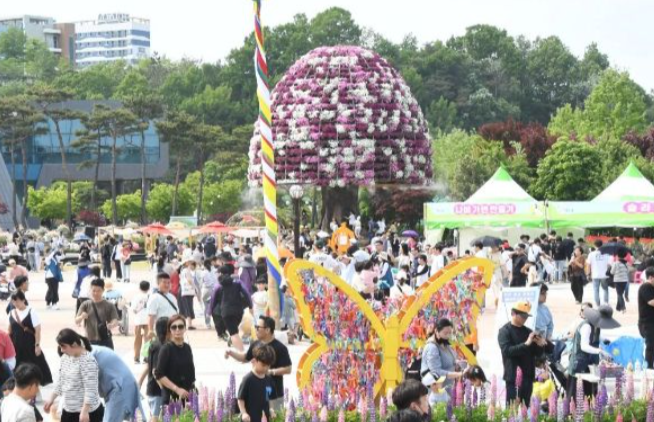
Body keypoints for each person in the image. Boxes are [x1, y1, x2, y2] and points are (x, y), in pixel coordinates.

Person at [225, 316, 292, 411]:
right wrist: (231, 353)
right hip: (257, 392)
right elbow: (245, 358)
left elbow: (288, 369)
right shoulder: (256, 344)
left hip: (275, 393)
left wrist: (271, 372)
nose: (255, 329)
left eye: (258, 327)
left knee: (274, 416)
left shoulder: (280, 348)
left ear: (267, 330)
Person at [498, 301, 552, 405]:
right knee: (512, 409)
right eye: (522, 316)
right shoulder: (504, 331)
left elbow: (537, 354)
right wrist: (526, 343)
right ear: (513, 313)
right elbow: (507, 351)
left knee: (525, 408)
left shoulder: (528, 331)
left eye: (526, 316)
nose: (525, 319)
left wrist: (540, 345)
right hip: (513, 377)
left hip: (527, 377)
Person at [45, 329, 104, 422]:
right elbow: (61, 381)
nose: (62, 350)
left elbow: (90, 389)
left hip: (87, 413)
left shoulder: (87, 361)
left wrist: (85, 411)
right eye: (60, 346)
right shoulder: (65, 358)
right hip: (69, 410)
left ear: (74, 344)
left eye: (63, 346)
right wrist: (51, 398)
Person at [566, 305, 619, 401]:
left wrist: (604, 341)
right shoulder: (586, 326)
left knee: (590, 392)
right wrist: (600, 351)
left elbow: (595, 338)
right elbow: (584, 346)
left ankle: (591, 407)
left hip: (590, 363)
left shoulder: (596, 326)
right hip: (579, 363)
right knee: (576, 395)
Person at [7, 291, 53, 385]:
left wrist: (37, 345)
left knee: (33, 368)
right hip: (16, 347)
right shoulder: (11, 313)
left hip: (30, 346)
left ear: (23, 300)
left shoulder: (31, 311)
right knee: (17, 370)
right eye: (13, 301)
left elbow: (37, 330)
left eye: (17, 301)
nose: (15, 303)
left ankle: (35, 386)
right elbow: (9, 331)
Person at [90, 345, 143, 422]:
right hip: (123, 384)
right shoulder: (92, 351)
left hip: (119, 387)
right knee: (136, 418)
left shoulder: (89, 355)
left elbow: (88, 386)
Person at [154, 314, 196, 405]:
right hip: (172, 399)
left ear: (185, 328)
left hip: (188, 396)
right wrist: (177, 389)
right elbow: (159, 374)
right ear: (170, 330)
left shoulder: (187, 347)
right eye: (174, 327)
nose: (177, 329)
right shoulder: (166, 349)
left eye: (180, 326)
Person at [210, 264, 252, 351]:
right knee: (234, 331)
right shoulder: (238, 282)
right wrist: (250, 306)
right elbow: (247, 293)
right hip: (239, 311)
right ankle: (238, 349)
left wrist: (210, 310)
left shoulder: (219, 285)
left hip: (226, 311)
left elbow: (213, 299)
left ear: (221, 273)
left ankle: (241, 352)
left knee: (234, 334)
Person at [420, 318, 463, 395]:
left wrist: (458, 364)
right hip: (436, 391)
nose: (448, 336)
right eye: (445, 333)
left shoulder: (445, 344)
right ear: (436, 331)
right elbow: (436, 371)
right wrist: (457, 374)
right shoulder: (432, 347)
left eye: (450, 333)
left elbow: (451, 360)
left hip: (448, 387)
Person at [139, 317, 168, 421]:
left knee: (156, 416)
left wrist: (139, 383)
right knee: (156, 418)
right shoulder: (160, 347)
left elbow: (148, 365)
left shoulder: (155, 344)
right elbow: (155, 372)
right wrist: (165, 390)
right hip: (157, 391)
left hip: (153, 389)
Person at [76, 278, 119, 349]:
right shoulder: (85, 304)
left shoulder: (109, 305)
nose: (96, 293)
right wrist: (81, 317)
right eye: (94, 291)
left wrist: (111, 325)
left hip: (105, 339)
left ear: (103, 290)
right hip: (89, 340)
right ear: (90, 290)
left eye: (99, 291)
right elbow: (76, 321)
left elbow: (115, 320)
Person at [237, 344, 276, 422]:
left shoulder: (268, 379)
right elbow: (241, 399)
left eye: (268, 365)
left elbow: (269, 397)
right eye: (263, 365)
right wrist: (244, 413)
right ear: (254, 361)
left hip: (264, 418)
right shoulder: (248, 379)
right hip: (250, 419)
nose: (266, 368)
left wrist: (271, 409)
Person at [131, 281, 151, 364]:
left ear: (139, 287)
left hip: (138, 320)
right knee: (147, 339)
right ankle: (146, 357)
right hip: (148, 320)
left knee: (137, 339)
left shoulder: (136, 296)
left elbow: (133, 309)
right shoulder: (150, 296)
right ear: (148, 288)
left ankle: (136, 357)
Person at [638, 267, 654, 369]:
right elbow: (651, 302)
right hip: (647, 323)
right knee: (651, 346)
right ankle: (649, 368)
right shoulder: (645, 287)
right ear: (651, 277)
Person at [588, 240, 610, 307]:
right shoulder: (606, 254)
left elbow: (589, 265)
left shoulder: (591, 254)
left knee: (596, 290)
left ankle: (597, 304)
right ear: (602, 245)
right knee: (605, 289)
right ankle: (606, 303)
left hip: (595, 274)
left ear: (594, 245)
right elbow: (609, 264)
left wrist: (588, 273)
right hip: (604, 275)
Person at [179, 258, 199, 330]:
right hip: (188, 291)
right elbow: (189, 280)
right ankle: (189, 324)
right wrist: (195, 287)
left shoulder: (183, 270)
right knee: (188, 307)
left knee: (187, 307)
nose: (191, 264)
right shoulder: (186, 271)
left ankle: (188, 324)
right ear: (186, 263)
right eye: (190, 262)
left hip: (185, 291)